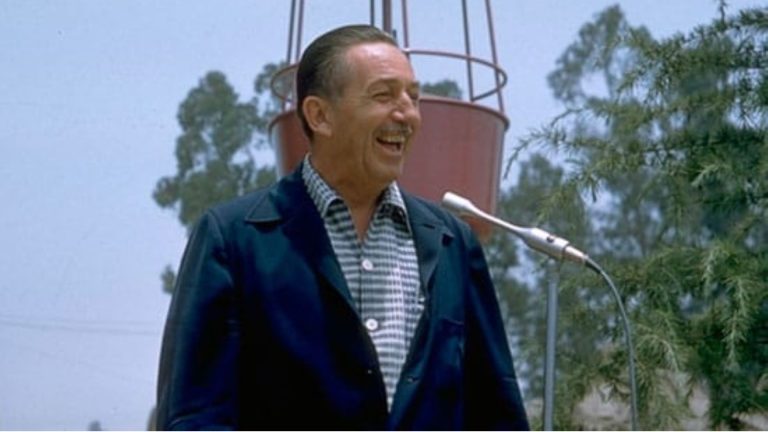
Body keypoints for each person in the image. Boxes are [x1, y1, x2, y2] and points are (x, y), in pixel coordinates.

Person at [156, 24, 529, 430]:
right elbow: (195, 416)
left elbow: (497, 414)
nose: (407, 114)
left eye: (413, 97)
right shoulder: (233, 240)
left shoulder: (452, 243)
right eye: (383, 95)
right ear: (320, 115)